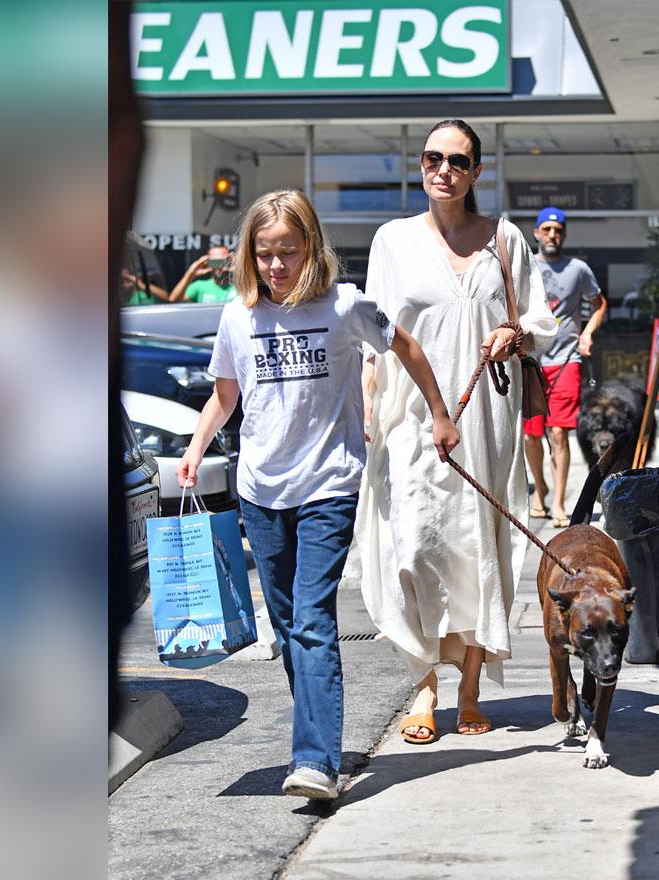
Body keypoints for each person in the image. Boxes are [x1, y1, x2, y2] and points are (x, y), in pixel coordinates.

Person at [176, 190, 459, 800]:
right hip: (260, 487)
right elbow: (225, 395)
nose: (276, 266)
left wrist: (438, 412)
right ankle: (317, 737)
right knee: (287, 626)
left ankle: (316, 761)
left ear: (311, 248)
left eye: (288, 252)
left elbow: (404, 345)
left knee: (310, 620)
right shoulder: (237, 316)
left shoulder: (343, 305)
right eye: (265, 253)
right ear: (250, 256)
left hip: (329, 481)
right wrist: (196, 450)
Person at [356, 119, 557, 744]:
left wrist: (513, 335)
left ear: (476, 172)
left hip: (487, 414)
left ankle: (467, 687)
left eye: (458, 161)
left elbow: (539, 320)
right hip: (411, 416)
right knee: (414, 547)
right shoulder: (393, 240)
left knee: (477, 549)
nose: (443, 169)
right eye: (432, 158)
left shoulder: (505, 238)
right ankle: (423, 684)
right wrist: (365, 409)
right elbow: (375, 334)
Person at [523, 206, 607, 528]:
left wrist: (586, 334)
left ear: (564, 235)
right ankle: (538, 490)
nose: (552, 236)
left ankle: (557, 501)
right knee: (531, 436)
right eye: (546, 230)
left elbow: (599, 305)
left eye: (558, 231)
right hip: (531, 361)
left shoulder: (578, 269)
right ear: (537, 233)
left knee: (558, 432)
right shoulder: (525, 266)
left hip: (566, 359)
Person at [168, 245, 237, 303]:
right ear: (208, 262)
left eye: (221, 261)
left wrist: (238, 269)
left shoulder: (239, 287)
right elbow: (173, 299)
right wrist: (191, 272)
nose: (218, 266)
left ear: (229, 261)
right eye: (214, 262)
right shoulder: (200, 286)